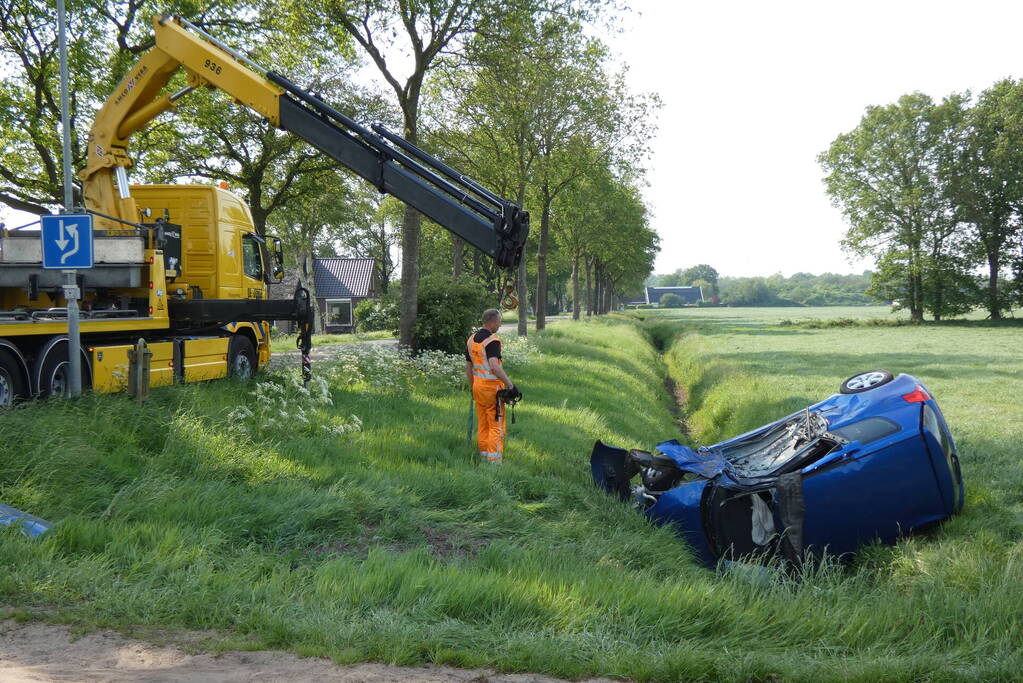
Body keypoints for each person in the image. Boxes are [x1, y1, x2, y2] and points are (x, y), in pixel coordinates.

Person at [465, 308, 515, 463]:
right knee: (496, 426)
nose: (500, 325)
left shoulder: (471, 340)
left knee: (483, 424)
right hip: (492, 390)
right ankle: (494, 462)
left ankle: (484, 455)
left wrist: (472, 387)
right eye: (499, 322)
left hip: (478, 388)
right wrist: (510, 385)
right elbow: (494, 365)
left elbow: (468, 367)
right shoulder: (492, 341)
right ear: (492, 322)